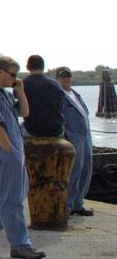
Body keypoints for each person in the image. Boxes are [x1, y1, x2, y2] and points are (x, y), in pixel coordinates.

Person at [0, 55, 45, 259]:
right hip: (7, 154)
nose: (16, 78)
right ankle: (20, 244)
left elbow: (25, 113)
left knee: (16, 194)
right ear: (1, 72)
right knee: (13, 201)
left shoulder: (3, 93)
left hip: (15, 152)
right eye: (13, 75)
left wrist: (20, 91)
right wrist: (11, 152)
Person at [56, 67, 94, 217]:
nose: (66, 79)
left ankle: (78, 203)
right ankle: (67, 206)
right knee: (74, 170)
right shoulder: (59, 96)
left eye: (68, 76)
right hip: (73, 136)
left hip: (86, 135)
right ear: (57, 79)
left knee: (86, 168)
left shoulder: (76, 94)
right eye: (62, 77)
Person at [21, 53, 65, 138]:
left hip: (33, 131)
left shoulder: (23, 84)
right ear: (43, 67)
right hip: (56, 130)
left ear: (27, 67)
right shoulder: (56, 84)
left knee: (15, 131)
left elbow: (19, 109)